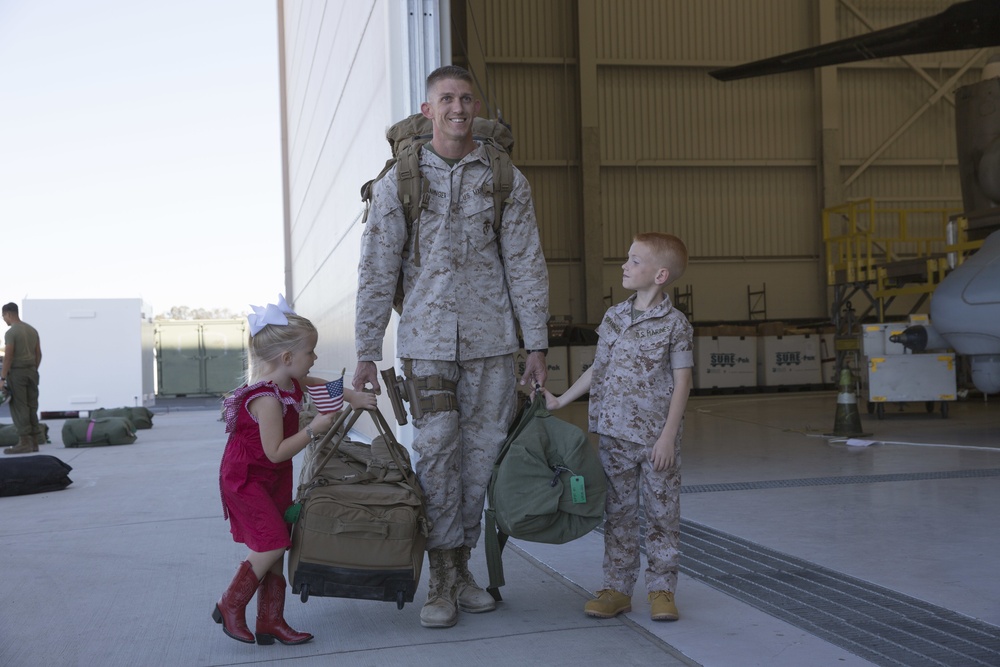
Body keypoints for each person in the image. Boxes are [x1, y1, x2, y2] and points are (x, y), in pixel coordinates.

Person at [353, 65, 550, 628]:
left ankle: (462, 569)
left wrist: (535, 343)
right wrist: (368, 352)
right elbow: (375, 268)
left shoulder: (506, 177)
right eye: (446, 99)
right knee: (438, 453)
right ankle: (439, 576)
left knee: (481, 456)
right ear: (427, 110)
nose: (457, 108)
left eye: (465, 98)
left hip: (493, 344)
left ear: (475, 105)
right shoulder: (400, 181)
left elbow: (526, 263)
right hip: (428, 344)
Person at [542, 232, 693, 622]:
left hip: (655, 440)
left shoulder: (675, 324)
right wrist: (560, 399)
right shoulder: (614, 317)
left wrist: (667, 438)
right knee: (619, 514)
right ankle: (617, 588)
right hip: (614, 434)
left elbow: (683, 382)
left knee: (662, 515)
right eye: (627, 258)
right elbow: (599, 368)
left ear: (660, 275)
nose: (625, 265)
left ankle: (662, 590)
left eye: (634, 260)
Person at [213, 296, 376, 645]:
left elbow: (320, 384)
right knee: (272, 542)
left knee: (275, 548)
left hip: (272, 479)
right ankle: (230, 604)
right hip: (248, 480)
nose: (314, 359)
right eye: (310, 352)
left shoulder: (291, 384)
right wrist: (314, 428)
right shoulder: (267, 399)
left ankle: (270, 621)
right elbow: (274, 453)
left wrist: (354, 398)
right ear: (287, 358)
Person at [2, 302, 43, 455]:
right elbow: (39, 354)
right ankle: (34, 443)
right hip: (32, 372)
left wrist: (2, 377)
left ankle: (24, 442)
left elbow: (8, 356)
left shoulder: (11, 332)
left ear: (8, 314)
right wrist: (33, 369)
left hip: (17, 373)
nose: (4, 320)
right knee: (32, 406)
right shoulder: (32, 330)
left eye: (3, 317)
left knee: (20, 407)